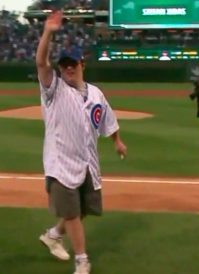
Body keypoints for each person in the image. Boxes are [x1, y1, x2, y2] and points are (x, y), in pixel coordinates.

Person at [36, 11, 127, 274]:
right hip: (61, 163)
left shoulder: (96, 93)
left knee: (83, 208)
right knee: (73, 214)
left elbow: (108, 120)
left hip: (88, 163)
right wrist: (48, 32)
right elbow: (42, 63)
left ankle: (53, 234)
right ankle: (82, 260)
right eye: (64, 64)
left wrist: (117, 142)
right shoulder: (54, 90)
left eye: (72, 63)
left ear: (81, 64)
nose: (67, 68)